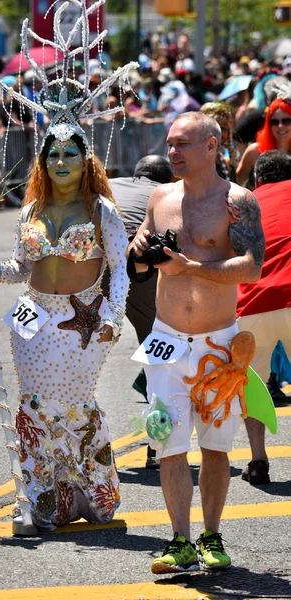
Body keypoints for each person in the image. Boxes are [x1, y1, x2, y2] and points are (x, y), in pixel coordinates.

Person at [0, 0, 135, 535]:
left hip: (84, 324)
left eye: (70, 154)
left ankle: (93, 492)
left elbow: (121, 270)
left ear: (87, 158)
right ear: (43, 161)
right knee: (35, 409)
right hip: (32, 321)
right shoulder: (33, 210)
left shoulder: (101, 210)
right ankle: (46, 502)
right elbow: (22, 264)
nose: (60, 163)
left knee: (74, 405)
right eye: (52, 155)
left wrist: (111, 317)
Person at [129, 111, 264, 573]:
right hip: (165, 342)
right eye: (169, 144)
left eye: (183, 144)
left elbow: (252, 267)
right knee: (167, 442)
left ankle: (210, 535)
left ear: (212, 146)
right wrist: (140, 252)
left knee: (215, 447)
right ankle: (179, 541)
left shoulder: (238, 202)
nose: (172, 152)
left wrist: (192, 267)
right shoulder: (160, 197)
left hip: (218, 347)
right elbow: (139, 259)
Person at [109, 155, 173, 469]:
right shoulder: (170, 195)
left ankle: (75, 447)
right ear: (169, 178)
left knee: (78, 354)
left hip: (91, 260)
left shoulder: (111, 184)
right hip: (139, 265)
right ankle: (157, 446)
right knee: (158, 359)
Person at [238, 150, 291, 485]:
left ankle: (258, 460)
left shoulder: (245, 205)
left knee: (253, 388)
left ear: (257, 180)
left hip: (253, 303)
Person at [236, 97, 291, 187]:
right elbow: (237, 184)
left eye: (286, 121)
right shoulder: (254, 151)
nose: (280, 126)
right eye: (274, 122)